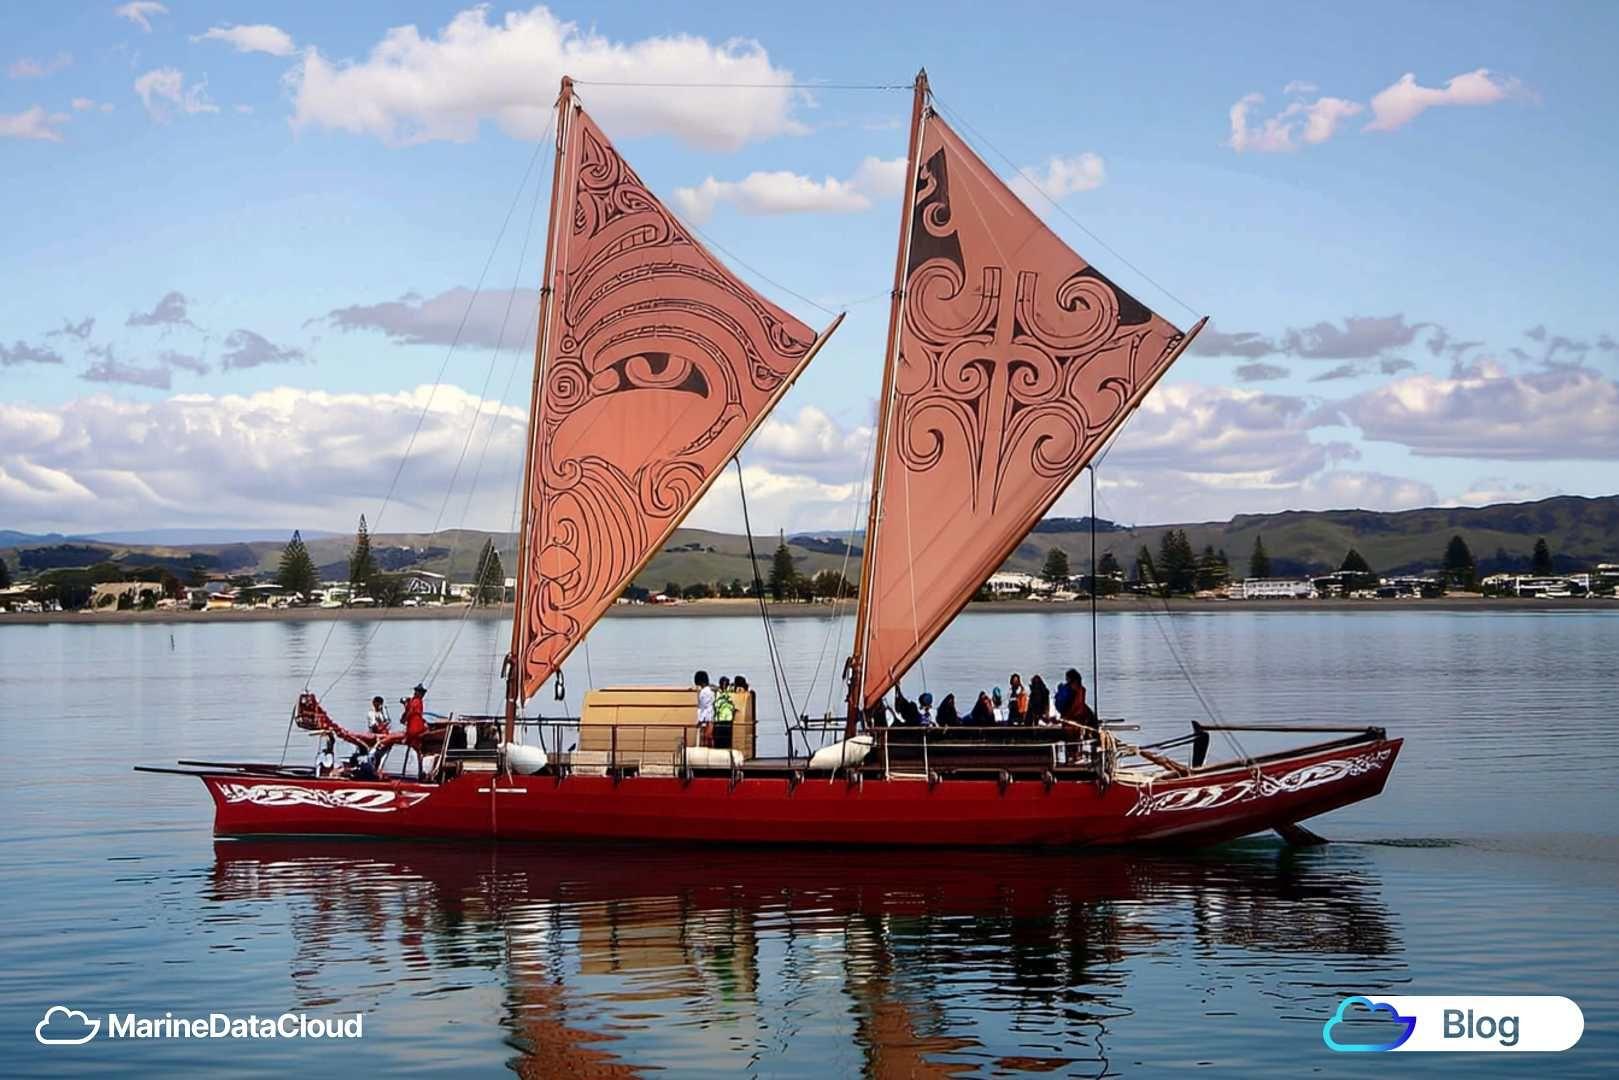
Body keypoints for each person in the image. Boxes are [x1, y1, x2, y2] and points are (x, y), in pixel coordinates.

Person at [694, 670, 715, 748]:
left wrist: (700, 720)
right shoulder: (709, 690)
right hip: (710, 717)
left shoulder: (704, 692)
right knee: (708, 737)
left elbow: (705, 707)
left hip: (707, 718)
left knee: (706, 737)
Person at [713, 676, 736, 749]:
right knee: (724, 743)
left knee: (722, 743)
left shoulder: (718, 694)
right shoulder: (730, 694)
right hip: (724, 721)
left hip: (722, 721)